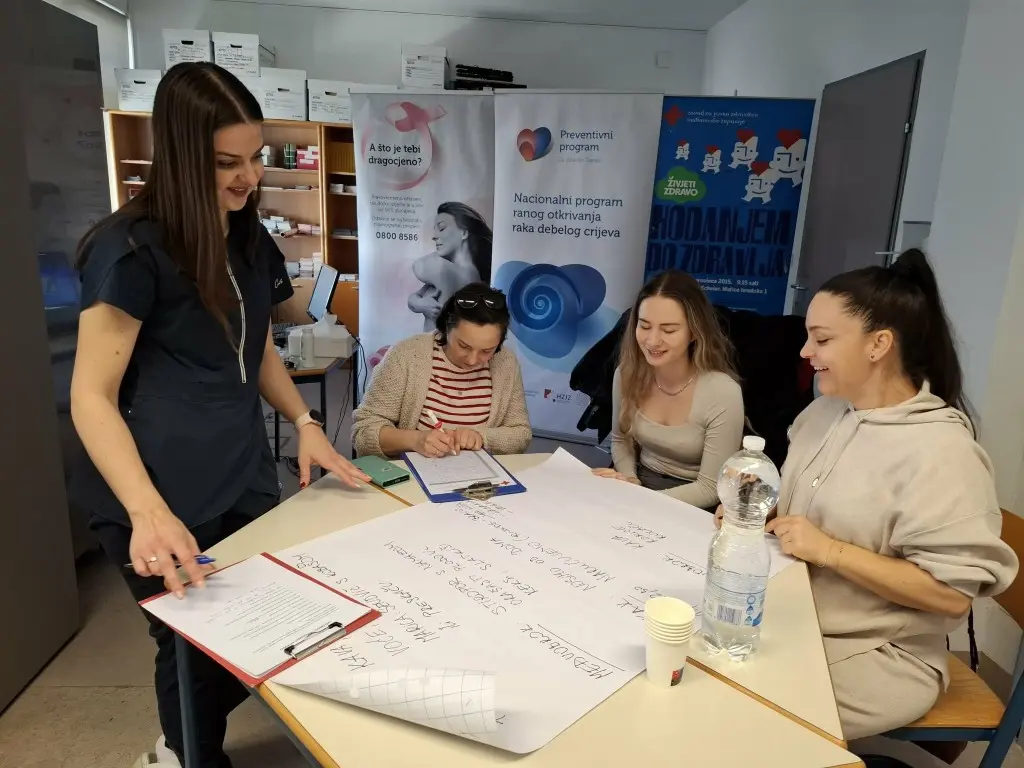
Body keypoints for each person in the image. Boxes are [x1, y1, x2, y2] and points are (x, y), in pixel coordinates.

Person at [70, 62, 369, 768]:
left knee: (257, 629)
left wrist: (306, 424)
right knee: (188, 644)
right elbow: (91, 395)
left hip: (238, 471)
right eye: (227, 163)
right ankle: (183, 756)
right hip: (155, 483)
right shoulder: (131, 249)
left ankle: (183, 743)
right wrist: (146, 511)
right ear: (180, 157)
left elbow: (255, 346)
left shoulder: (246, 236)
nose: (249, 178)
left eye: (255, 157)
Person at [726, 249, 1017, 740]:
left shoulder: (942, 452)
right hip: (798, 618)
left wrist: (829, 550)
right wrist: (757, 512)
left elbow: (949, 595)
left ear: (879, 343)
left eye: (822, 339)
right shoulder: (824, 414)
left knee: (719, 711)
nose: (805, 352)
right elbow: (809, 513)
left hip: (881, 655)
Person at [595, 270, 744, 510]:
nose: (653, 341)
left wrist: (642, 500)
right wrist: (629, 480)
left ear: (694, 332)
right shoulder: (627, 373)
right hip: (640, 487)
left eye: (669, 330)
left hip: (693, 502)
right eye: (645, 326)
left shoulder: (723, 392)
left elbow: (710, 488)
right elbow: (620, 439)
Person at [354, 283, 531, 458]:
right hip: (414, 472)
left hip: (479, 472)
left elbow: (521, 434)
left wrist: (481, 437)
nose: (472, 360)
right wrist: (415, 440)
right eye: (463, 346)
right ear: (446, 328)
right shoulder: (406, 355)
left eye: (487, 351)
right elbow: (363, 432)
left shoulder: (506, 363)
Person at [408, 202, 493, 330]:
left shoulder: (443, 269)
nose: (434, 236)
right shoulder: (459, 271)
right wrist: (420, 303)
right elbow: (414, 298)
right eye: (435, 230)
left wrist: (418, 303)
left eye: (442, 228)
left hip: (436, 342)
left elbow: (418, 265)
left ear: (464, 233)